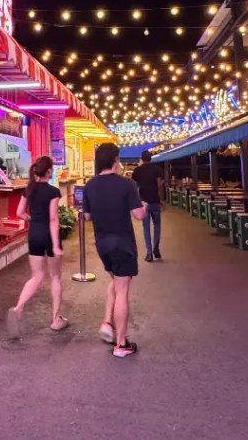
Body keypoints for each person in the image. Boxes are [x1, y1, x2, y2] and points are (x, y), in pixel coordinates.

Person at [84, 143, 145, 357]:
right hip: (123, 244)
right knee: (122, 291)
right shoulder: (127, 185)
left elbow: (87, 216)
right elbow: (138, 215)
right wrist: (144, 204)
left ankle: (107, 323)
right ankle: (121, 344)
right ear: (116, 160)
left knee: (115, 282)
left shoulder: (90, 186)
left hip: (103, 245)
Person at [7, 156, 67, 336]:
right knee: (55, 277)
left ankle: (18, 308)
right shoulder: (53, 192)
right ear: (49, 171)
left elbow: (19, 213)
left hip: (34, 234)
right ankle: (56, 319)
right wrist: (56, 245)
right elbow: (53, 219)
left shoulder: (29, 190)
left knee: (36, 277)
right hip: (49, 235)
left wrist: (31, 220)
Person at [131, 150, 165, 262]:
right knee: (157, 226)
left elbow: (135, 187)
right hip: (155, 201)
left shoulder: (137, 171)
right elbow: (159, 185)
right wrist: (161, 200)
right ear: (151, 158)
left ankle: (149, 253)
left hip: (143, 203)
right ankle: (156, 248)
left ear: (142, 158)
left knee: (146, 228)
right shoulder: (157, 169)